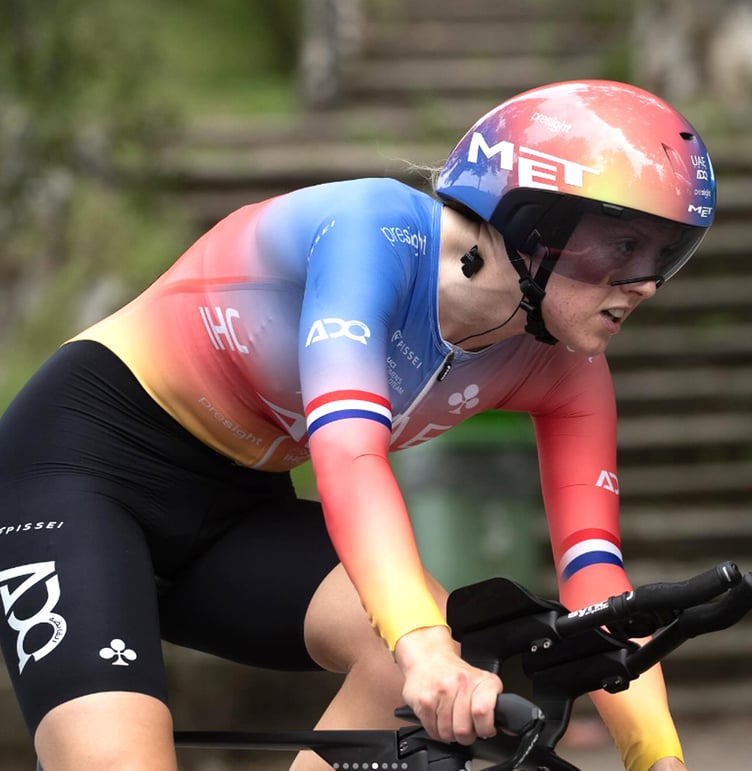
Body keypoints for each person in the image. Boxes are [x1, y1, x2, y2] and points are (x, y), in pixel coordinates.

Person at [0, 79, 715, 771]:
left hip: (238, 505)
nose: (647, 282)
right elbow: (347, 453)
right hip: (81, 474)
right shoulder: (373, 235)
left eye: (665, 255)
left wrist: (656, 754)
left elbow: (595, 575)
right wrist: (423, 647)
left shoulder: (566, 364)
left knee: (430, 646)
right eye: (625, 247)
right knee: (416, 644)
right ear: (537, 223)